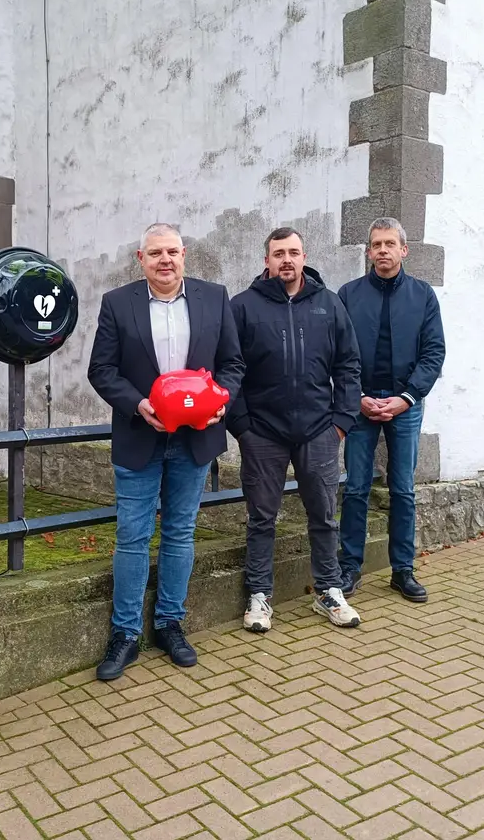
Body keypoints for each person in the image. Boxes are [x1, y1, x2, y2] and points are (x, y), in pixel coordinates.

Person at [87, 223, 244, 680]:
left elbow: (233, 364)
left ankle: (170, 623)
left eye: (172, 251)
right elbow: (102, 370)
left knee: (180, 533)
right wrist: (138, 405)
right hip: (141, 435)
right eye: (155, 253)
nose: (165, 260)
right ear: (141, 258)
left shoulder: (214, 297)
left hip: (195, 438)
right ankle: (125, 634)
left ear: (184, 254)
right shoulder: (118, 303)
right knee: (132, 537)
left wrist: (220, 404)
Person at [227, 227, 363, 632]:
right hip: (263, 434)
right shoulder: (243, 307)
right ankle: (259, 596)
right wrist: (243, 427)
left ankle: (329, 591)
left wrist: (342, 421)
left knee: (324, 514)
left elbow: (349, 366)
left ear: (304, 257)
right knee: (261, 518)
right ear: (266, 260)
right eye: (278, 253)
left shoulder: (329, 304)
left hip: (319, 429)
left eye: (294, 252)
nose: (287, 259)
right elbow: (230, 370)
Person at [337, 217, 446, 603]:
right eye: (376, 245)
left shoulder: (423, 296)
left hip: (405, 403)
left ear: (404, 249)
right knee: (354, 488)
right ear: (368, 252)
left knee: (402, 490)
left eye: (390, 244)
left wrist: (407, 398)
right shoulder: (348, 294)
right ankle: (349, 568)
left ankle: (403, 571)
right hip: (360, 403)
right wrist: (357, 397)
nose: (383, 250)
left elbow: (434, 352)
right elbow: (336, 353)